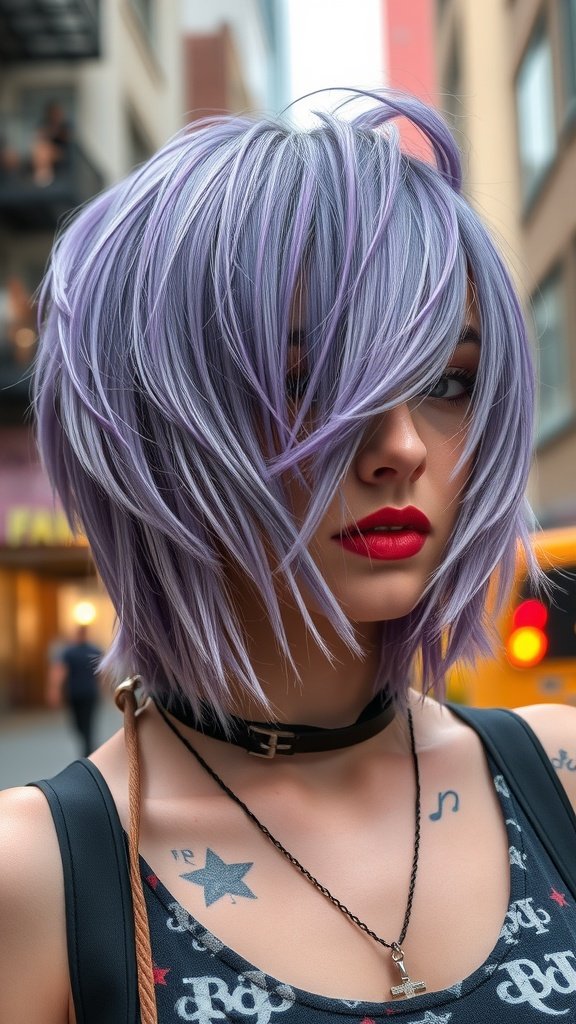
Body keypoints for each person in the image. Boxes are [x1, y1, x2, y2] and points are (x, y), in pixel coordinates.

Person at [1, 89, 575, 1023]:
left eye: (446, 380)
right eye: (307, 384)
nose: (400, 446)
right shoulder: (40, 875)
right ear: (156, 423)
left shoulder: (560, 776)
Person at [45, 625, 103, 757]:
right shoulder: (69, 652)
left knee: (87, 723)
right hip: (76, 694)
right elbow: (61, 671)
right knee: (78, 724)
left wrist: (54, 690)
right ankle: (89, 746)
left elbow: (101, 672)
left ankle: (88, 751)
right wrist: (55, 690)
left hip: (87, 693)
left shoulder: (93, 650)